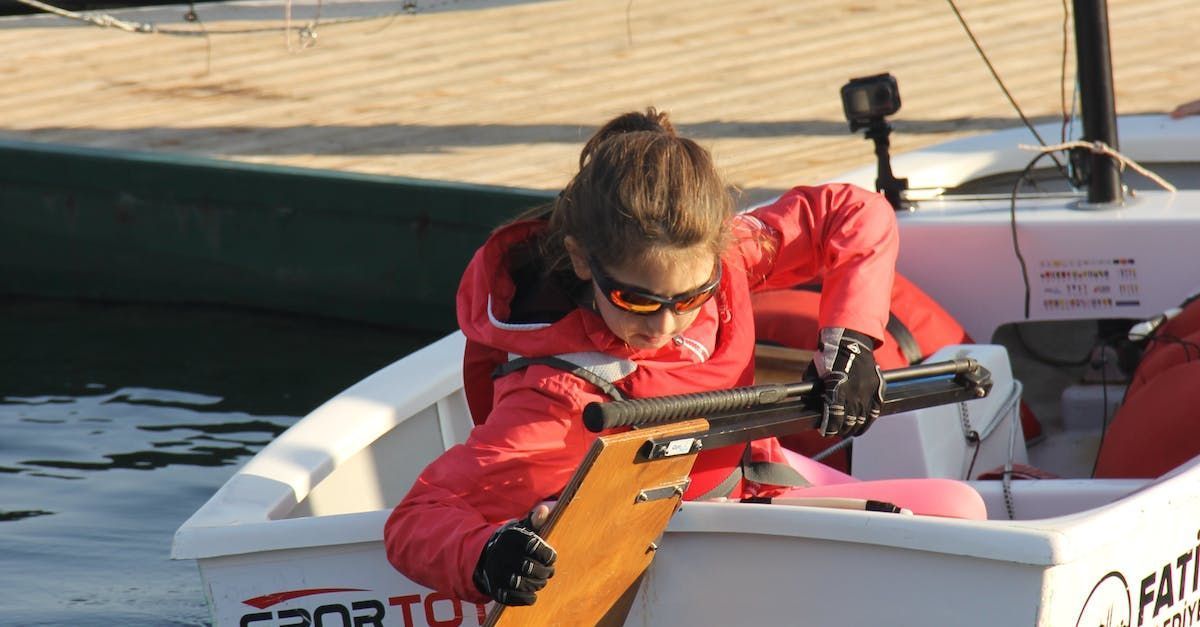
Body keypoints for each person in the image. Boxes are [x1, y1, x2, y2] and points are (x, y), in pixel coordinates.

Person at [383, 108, 986, 607]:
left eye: (692, 299)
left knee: (965, 507)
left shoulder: (730, 258)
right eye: (636, 301)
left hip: (756, 484)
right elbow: (415, 519)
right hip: (694, 541)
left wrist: (850, 344)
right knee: (959, 515)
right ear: (584, 261)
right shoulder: (552, 399)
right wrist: (488, 556)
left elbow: (855, 213)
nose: (666, 324)